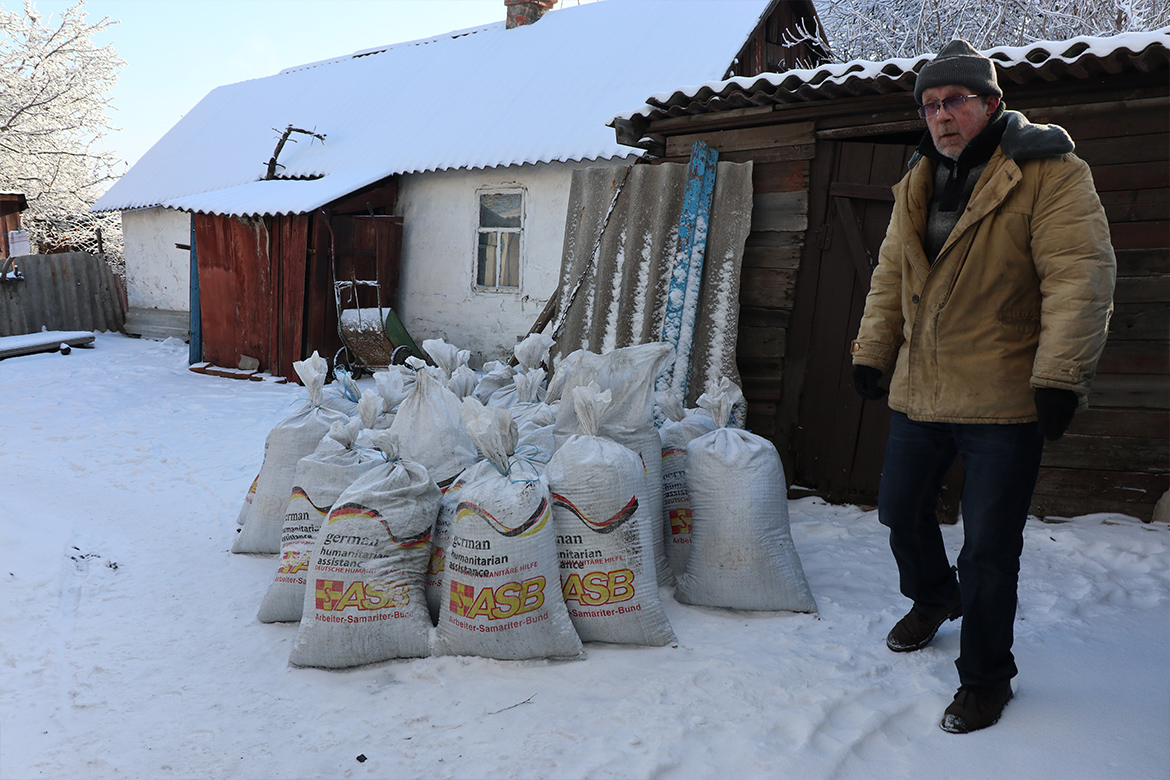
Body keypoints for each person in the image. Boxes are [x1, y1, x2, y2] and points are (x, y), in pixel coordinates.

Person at [849, 39, 1115, 734]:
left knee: (989, 551)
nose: (940, 116)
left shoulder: (1049, 171)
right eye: (930, 105)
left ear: (991, 103)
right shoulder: (917, 177)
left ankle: (986, 678)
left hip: (1003, 398)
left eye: (954, 101)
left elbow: (1079, 280)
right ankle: (935, 597)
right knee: (899, 513)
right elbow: (890, 277)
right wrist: (873, 352)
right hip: (922, 390)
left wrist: (1060, 378)